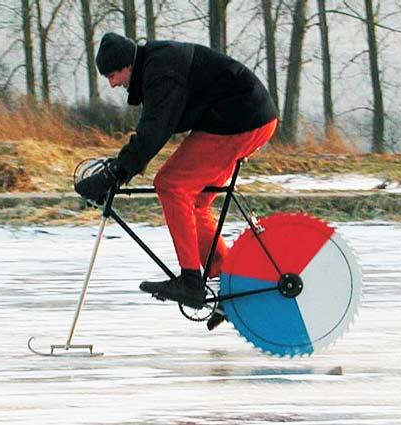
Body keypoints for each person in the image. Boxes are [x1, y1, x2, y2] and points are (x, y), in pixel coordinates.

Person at [75, 32, 278, 311]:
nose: (112, 84)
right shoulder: (156, 65)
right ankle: (228, 282)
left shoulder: (161, 72)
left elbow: (154, 131)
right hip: (249, 118)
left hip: (240, 120)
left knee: (171, 185)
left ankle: (191, 281)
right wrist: (120, 168)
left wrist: (115, 175)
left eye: (112, 75)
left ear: (127, 66)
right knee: (194, 203)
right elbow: (153, 127)